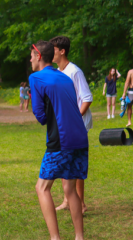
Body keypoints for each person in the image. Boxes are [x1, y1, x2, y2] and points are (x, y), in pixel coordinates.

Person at [29, 40, 88, 240]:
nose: (30, 60)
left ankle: (55, 238)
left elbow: (41, 116)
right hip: (80, 139)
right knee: (70, 188)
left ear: (38, 56)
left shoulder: (36, 77)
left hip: (61, 141)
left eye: (31, 56)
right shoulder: (65, 77)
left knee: (42, 187)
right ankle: (79, 237)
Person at [50, 36, 92, 214]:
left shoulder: (75, 71)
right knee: (64, 162)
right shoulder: (58, 72)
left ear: (62, 51)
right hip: (63, 125)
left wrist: (75, 118)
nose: (50, 53)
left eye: (53, 49)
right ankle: (67, 200)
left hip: (76, 125)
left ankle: (81, 203)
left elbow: (87, 98)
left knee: (75, 165)